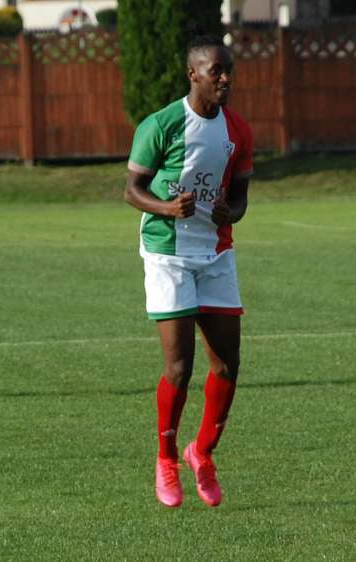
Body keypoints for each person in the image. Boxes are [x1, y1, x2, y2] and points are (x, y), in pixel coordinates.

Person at [123, 35, 253, 508]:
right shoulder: (160, 125)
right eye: (216, 70)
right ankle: (165, 460)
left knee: (228, 364)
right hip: (167, 252)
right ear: (192, 74)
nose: (225, 78)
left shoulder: (238, 129)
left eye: (229, 70)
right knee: (179, 368)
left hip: (215, 253)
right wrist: (165, 207)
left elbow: (240, 196)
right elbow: (131, 190)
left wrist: (230, 213)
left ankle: (201, 452)